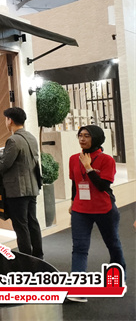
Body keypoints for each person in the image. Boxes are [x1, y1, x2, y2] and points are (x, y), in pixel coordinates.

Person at [67, 125, 126, 303]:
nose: (82, 139)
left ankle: (118, 276)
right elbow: (75, 183)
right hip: (80, 210)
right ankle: (78, 290)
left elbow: (102, 186)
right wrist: (73, 202)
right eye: (80, 135)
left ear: (96, 138)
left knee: (113, 244)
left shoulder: (107, 160)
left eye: (87, 136)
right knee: (79, 248)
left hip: (104, 209)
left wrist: (88, 167)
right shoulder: (73, 159)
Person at [0, 107, 43, 259]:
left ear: (10, 120)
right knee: (32, 223)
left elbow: (6, 163)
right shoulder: (31, 137)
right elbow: (13, 154)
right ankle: (38, 256)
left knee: (21, 226)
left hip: (17, 189)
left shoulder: (13, 140)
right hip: (32, 187)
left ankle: (26, 259)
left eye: (6, 119)